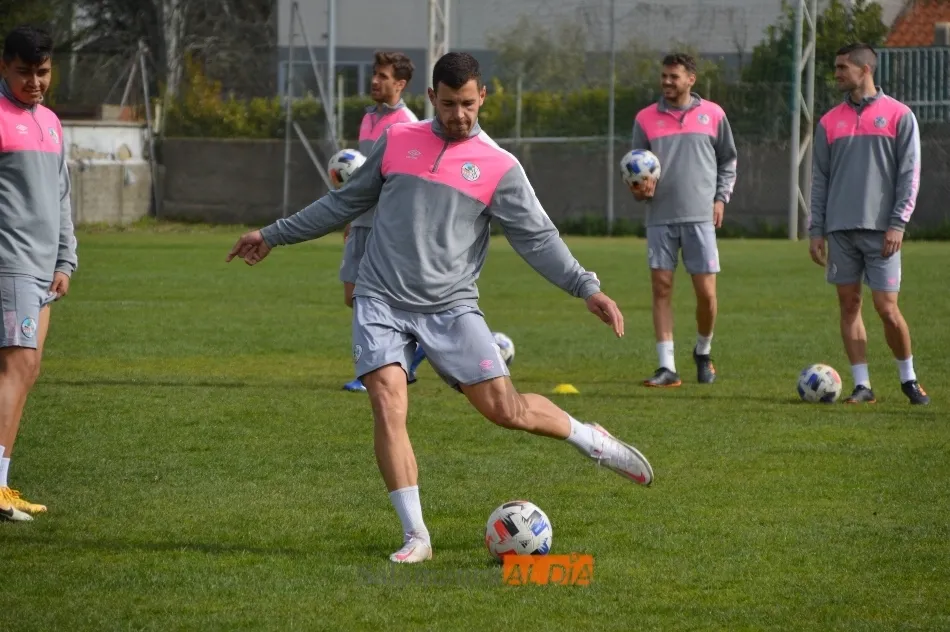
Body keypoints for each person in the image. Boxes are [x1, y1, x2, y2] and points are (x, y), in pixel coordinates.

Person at [227, 52, 654, 564]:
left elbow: (537, 239)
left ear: (483, 98)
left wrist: (588, 289)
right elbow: (343, 204)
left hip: (451, 307)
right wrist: (272, 235)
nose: (459, 115)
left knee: (507, 411)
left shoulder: (499, 166)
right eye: (449, 104)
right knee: (387, 402)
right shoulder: (398, 141)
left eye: (468, 104)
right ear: (430, 97)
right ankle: (417, 537)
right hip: (381, 297)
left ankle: (591, 439)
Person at [808, 43, 929, 405]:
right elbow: (820, 179)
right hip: (840, 229)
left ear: (865, 70)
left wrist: (898, 223)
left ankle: (908, 378)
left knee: (887, 308)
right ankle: (863, 386)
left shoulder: (899, 115)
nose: (837, 73)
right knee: (848, 306)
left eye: (843, 67)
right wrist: (817, 229)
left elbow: (910, 174)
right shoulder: (829, 121)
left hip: (883, 231)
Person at [0, 25, 78, 520]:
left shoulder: (50, 121)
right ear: (5, 66)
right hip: (10, 264)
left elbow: (62, 195)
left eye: (43, 72)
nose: (35, 82)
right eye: (25, 72)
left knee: (26, 372)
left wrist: (66, 259)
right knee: (18, 367)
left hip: (44, 270)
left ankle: (2, 485)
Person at [630, 52, 737, 388]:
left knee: (706, 294)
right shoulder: (645, 118)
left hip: (700, 218)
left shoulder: (714, 115)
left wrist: (721, 198)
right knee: (661, 289)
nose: (666, 82)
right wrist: (638, 190)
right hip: (660, 216)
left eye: (673, 77)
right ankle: (667, 367)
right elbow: (634, 166)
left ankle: (703, 352)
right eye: (663, 76)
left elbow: (728, 160)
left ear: (691, 79)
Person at [340, 51, 423, 393]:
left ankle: (383, 368)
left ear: (400, 84)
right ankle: (413, 351)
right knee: (352, 295)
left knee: (374, 298)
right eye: (374, 74)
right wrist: (350, 214)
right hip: (362, 219)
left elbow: (407, 179)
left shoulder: (407, 123)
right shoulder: (368, 118)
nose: (375, 80)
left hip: (386, 224)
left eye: (383, 76)